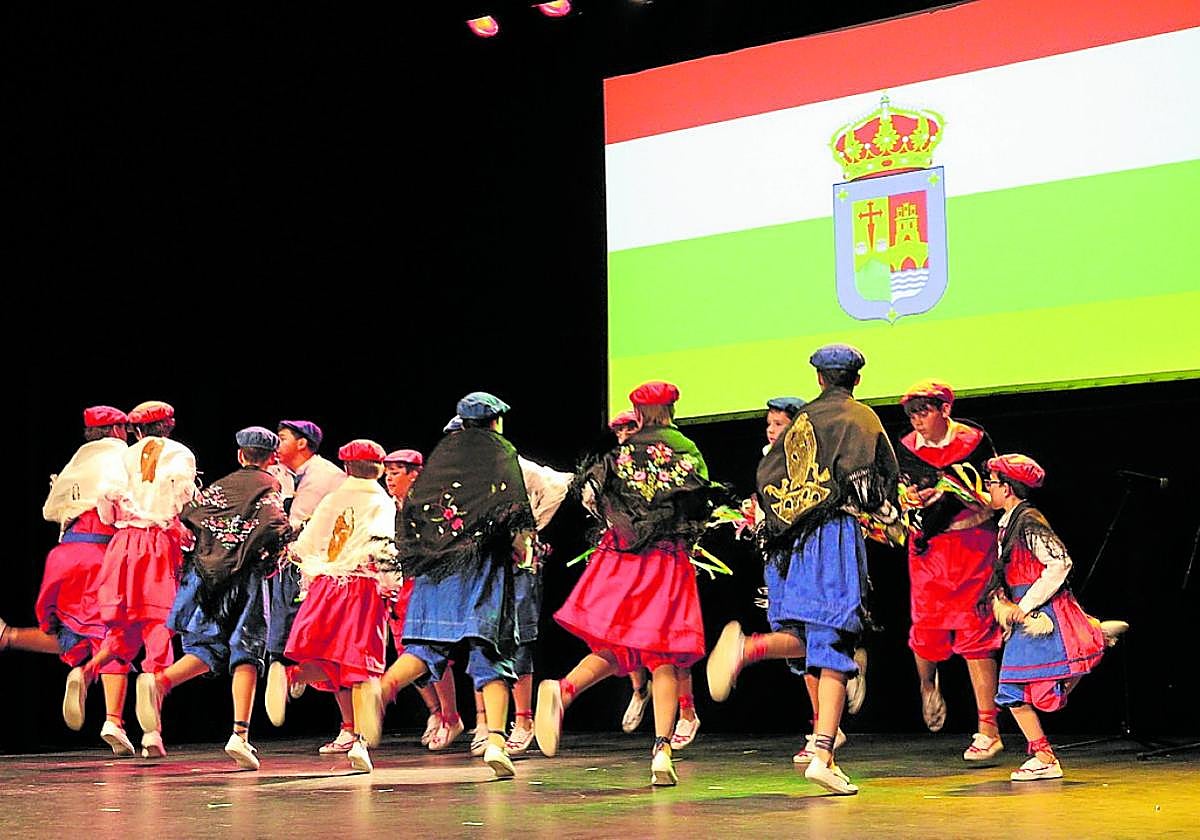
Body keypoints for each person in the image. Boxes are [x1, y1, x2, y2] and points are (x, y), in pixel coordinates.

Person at [707, 345, 899, 795]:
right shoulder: (860, 418)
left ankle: (749, 649)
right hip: (831, 537)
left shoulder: (799, 424)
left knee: (804, 636)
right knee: (835, 641)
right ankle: (823, 754)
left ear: (818, 379)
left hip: (786, 546)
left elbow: (766, 476)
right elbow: (873, 483)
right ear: (855, 379)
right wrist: (886, 516)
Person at [536, 381, 726, 787]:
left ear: (637, 413)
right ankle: (661, 749)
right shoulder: (687, 450)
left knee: (617, 645)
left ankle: (565, 689)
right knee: (663, 657)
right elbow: (698, 503)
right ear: (672, 408)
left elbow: (595, 497)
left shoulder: (619, 453)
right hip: (665, 560)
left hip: (620, 558)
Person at [376, 392, 535, 780]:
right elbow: (513, 503)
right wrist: (522, 548)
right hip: (480, 566)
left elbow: (414, 509)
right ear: (494, 421)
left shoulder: (442, 455)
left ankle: (378, 692)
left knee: (425, 648)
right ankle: (496, 740)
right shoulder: (499, 450)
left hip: (436, 569)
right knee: (490, 650)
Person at [135, 427, 293, 771]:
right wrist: (273, 548)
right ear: (273, 459)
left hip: (207, 579)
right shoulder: (270, 487)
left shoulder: (220, 487)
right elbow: (274, 523)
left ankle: (160, 682)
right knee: (247, 652)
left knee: (207, 648)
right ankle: (239, 734)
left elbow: (191, 515)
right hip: (246, 580)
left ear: (240, 455)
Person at [984, 454, 1128, 782]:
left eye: (991, 484)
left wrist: (1027, 603)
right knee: (1017, 693)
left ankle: (1093, 638)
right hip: (1024, 613)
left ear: (1007, 489)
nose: (987, 490)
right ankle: (1044, 755)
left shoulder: (1029, 522)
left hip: (1043, 613)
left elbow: (1060, 563)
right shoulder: (1008, 524)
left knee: (1029, 691)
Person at [1, 406, 134, 755]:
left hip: (65, 554)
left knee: (75, 634)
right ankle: (113, 721)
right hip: (101, 554)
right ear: (118, 429)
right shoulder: (123, 456)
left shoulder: (76, 461)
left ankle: (9, 636)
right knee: (115, 632)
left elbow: (49, 511)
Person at [266, 439, 400, 773]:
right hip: (361, 586)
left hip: (326, 586)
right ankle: (360, 743)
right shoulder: (381, 501)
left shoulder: (332, 499)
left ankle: (289, 674)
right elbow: (382, 543)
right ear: (380, 469)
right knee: (361, 665)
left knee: (330, 660)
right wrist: (392, 585)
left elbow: (304, 546)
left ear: (346, 468)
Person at [897, 380, 1004, 761]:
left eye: (923, 412)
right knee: (926, 626)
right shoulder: (907, 447)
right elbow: (898, 488)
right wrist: (908, 496)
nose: (917, 422)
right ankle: (928, 686)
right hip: (928, 549)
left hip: (972, 545)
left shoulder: (974, 441)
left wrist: (959, 494)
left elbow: (993, 492)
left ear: (944, 409)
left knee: (977, 631)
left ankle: (988, 728)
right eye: (911, 415)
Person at [91, 400, 197, 759]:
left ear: (136, 430)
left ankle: (112, 719)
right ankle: (152, 732)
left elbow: (105, 505)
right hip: (158, 541)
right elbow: (182, 499)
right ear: (169, 425)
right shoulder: (180, 453)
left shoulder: (121, 456)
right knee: (156, 627)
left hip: (121, 544)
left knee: (119, 627)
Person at [267, 419, 349, 754]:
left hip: (323, 571)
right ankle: (299, 674)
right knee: (289, 636)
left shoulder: (325, 476)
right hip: (290, 566)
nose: (276, 444)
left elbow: (296, 525)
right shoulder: (281, 474)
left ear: (302, 444)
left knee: (325, 643)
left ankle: (300, 676)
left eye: (283, 438)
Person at [382, 447, 465, 753]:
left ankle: (451, 716)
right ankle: (435, 712)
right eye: (387, 474)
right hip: (399, 586)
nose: (389, 479)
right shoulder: (389, 505)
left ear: (414, 473)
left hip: (427, 584)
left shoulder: (428, 503)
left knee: (430, 651)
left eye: (396, 473)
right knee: (405, 649)